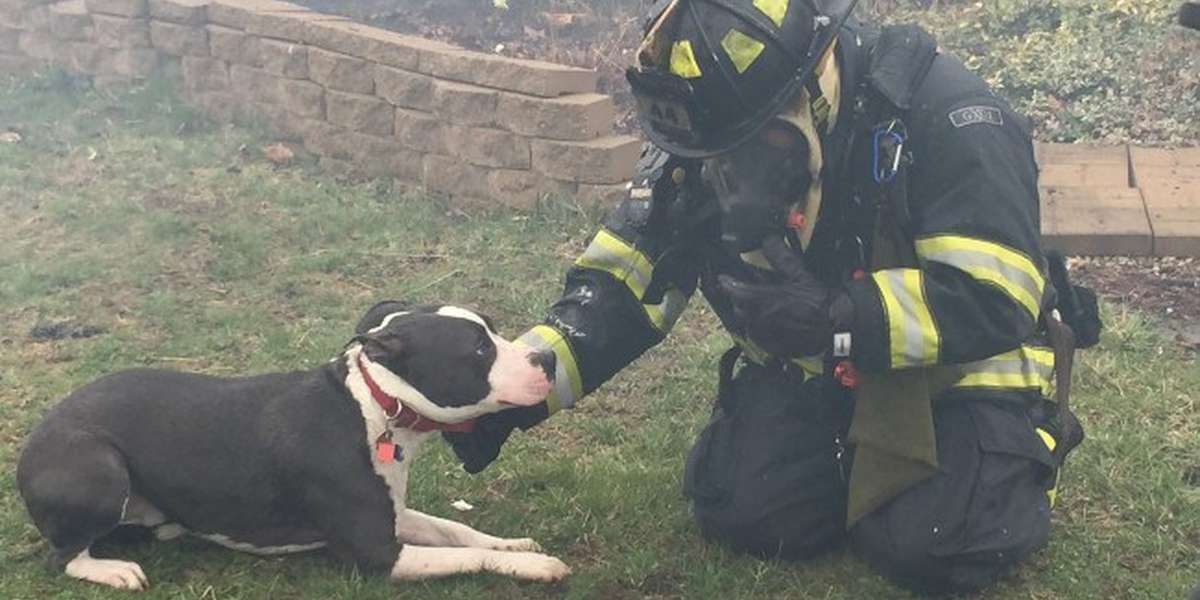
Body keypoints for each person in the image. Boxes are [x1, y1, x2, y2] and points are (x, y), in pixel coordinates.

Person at [444, 0, 1099, 594]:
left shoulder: (954, 118)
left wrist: (839, 319)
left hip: (953, 377)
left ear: (812, 90)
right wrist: (509, 391)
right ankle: (851, 459)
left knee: (932, 547)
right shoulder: (711, 130)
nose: (726, 171)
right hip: (817, 372)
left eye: (749, 144)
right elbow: (624, 285)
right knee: (748, 517)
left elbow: (995, 296)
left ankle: (1023, 444)